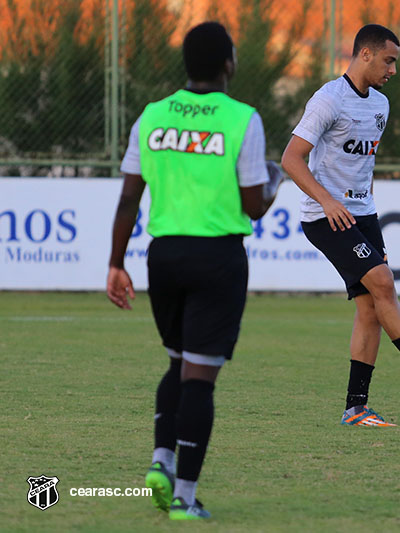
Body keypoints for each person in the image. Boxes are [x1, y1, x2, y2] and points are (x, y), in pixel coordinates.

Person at [106, 21, 281, 520]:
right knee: (199, 378)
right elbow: (253, 206)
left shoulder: (152, 116)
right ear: (229, 63)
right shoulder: (241, 119)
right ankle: (184, 497)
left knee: (175, 361)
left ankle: (161, 460)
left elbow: (126, 200)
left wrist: (115, 264)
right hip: (217, 259)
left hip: (163, 256)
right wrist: (274, 179)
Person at [281, 24, 400, 428]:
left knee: (370, 308)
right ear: (365, 54)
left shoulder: (380, 104)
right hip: (326, 217)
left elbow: (364, 165)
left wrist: (365, 207)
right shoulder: (328, 99)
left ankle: (356, 408)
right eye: (389, 60)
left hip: (363, 215)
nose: (393, 69)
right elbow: (291, 158)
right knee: (383, 283)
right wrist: (327, 201)